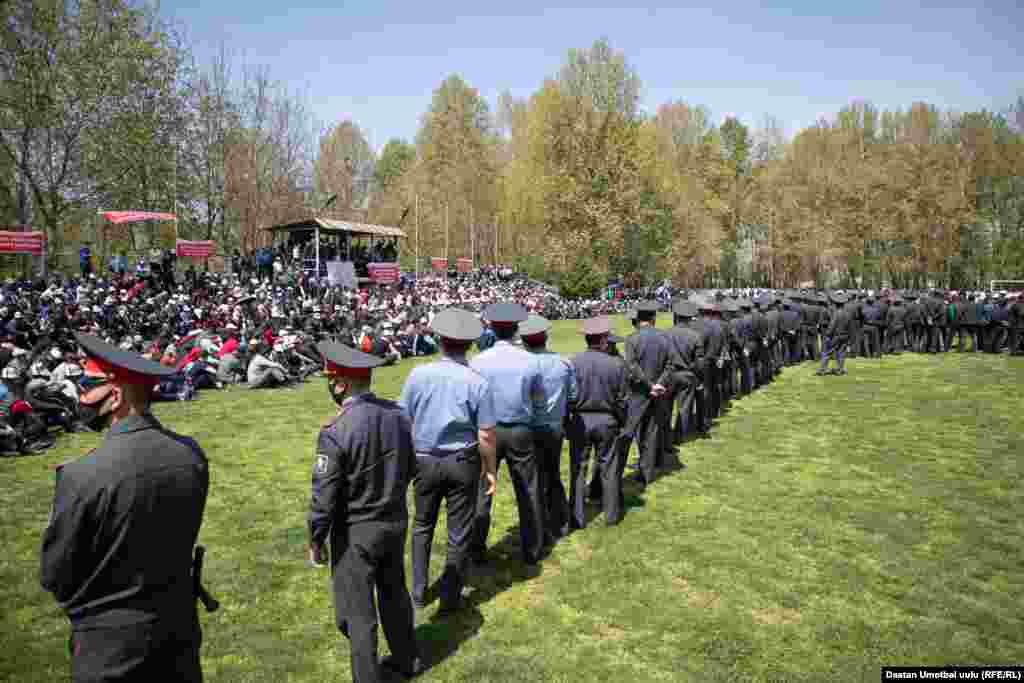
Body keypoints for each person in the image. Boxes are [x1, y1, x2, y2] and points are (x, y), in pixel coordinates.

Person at [40, 332, 209, 682]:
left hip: (110, 642)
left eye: (90, 387)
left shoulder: (82, 474)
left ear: (115, 396)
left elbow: (55, 573)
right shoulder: (191, 454)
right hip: (178, 625)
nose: (84, 397)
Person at [307, 341, 421, 682]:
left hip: (356, 529)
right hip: (394, 519)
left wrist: (316, 539)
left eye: (331, 380)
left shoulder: (335, 430)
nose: (330, 386)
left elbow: (324, 497)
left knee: (358, 613)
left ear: (341, 384)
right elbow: (411, 467)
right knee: (394, 594)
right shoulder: (398, 415)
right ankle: (406, 660)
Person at [398, 308, 497, 613]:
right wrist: (490, 469)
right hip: (462, 461)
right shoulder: (477, 382)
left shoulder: (418, 375)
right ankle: (450, 597)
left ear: (439, 341)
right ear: (468, 345)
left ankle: (417, 593)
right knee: (459, 530)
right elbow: (486, 434)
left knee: (422, 524)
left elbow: (403, 420)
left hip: (424, 460)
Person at [468, 301, 547, 565]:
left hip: (487, 430)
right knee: (527, 488)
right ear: (516, 330)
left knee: (483, 489)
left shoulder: (477, 361)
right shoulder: (530, 361)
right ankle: (532, 549)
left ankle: (476, 548)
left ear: (491, 328)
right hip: (519, 429)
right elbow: (539, 399)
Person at [519, 314, 574, 545]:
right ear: (546, 337)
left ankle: (539, 528)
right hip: (554, 426)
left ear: (523, 340)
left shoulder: (521, 365)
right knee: (552, 475)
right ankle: (560, 523)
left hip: (529, 427)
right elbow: (573, 396)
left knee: (534, 481)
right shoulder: (563, 363)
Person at [568, 317, 629, 527]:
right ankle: (611, 515)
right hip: (607, 420)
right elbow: (623, 399)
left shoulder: (574, 362)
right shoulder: (616, 364)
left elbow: (568, 396)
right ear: (603, 340)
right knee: (609, 467)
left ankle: (576, 516)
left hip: (580, 419)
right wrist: (621, 421)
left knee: (578, 468)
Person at [623, 300, 671, 489]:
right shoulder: (664, 337)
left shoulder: (631, 339)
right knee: (651, 433)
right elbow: (670, 364)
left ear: (638, 318)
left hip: (638, 392)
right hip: (656, 391)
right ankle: (646, 474)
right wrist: (658, 384)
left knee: (628, 432)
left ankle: (613, 474)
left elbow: (632, 366)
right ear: (653, 318)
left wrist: (650, 385)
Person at [817, 292, 853, 375]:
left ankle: (822, 370)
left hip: (836, 336)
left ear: (836, 304)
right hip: (845, 336)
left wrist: (827, 335)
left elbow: (832, 326)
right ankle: (840, 369)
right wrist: (849, 338)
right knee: (841, 353)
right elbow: (850, 327)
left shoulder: (836, 314)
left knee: (827, 352)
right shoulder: (848, 314)